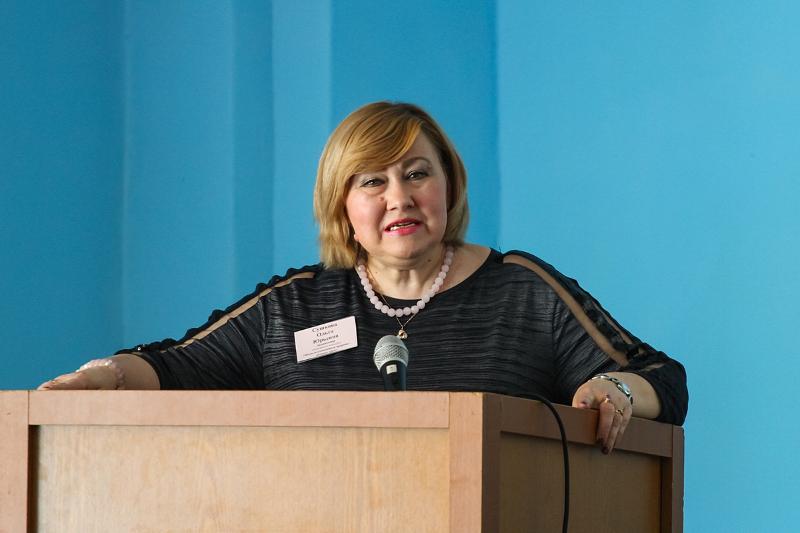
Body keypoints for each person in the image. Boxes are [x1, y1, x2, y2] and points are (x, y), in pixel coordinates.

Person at [39, 101, 688, 454]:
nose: (399, 196)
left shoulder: (522, 289)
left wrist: (615, 389)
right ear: (343, 206)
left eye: (417, 173)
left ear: (449, 184)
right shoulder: (295, 306)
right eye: (373, 181)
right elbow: (174, 366)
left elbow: (659, 376)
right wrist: (103, 375)